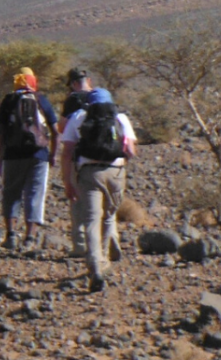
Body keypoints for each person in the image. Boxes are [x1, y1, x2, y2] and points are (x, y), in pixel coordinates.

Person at [60, 88, 137, 292]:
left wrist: (67, 181)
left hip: (88, 173)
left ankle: (95, 266)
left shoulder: (78, 117)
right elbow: (130, 150)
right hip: (115, 173)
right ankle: (103, 261)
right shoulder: (120, 118)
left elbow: (67, 152)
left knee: (92, 220)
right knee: (109, 217)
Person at [0, 67, 58, 250]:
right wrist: (53, 154)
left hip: (12, 154)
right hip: (39, 154)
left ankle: (11, 235)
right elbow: (55, 130)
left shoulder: (9, 100)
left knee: (12, 193)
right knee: (35, 193)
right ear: (33, 81)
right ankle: (30, 238)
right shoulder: (40, 99)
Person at [59, 68, 97, 258]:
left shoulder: (73, 99)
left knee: (77, 200)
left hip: (78, 158)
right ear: (88, 80)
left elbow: (61, 127)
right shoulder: (101, 98)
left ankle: (80, 244)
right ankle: (104, 244)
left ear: (73, 84)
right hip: (106, 159)